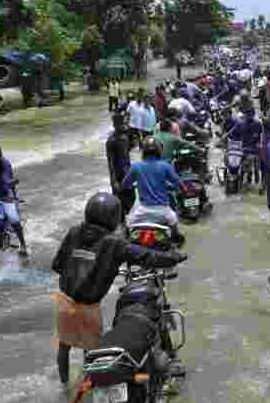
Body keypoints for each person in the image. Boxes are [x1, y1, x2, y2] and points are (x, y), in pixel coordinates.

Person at [52, 193, 186, 384]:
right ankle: (93, 388)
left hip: (65, 301)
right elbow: (145, 256)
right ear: (113, 217)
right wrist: (174, 258)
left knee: (63, 349)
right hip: (90, 306)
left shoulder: (74, 232)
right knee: (95, 356)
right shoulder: (113, 242)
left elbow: (57, 265)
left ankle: (65, 389)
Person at [121, 138, 184, 242]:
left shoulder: (136, 166)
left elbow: (124, 185)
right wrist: (178, 189)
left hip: (142, 212)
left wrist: (131, 186)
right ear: (159, 151)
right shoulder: (165, 166)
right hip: (163, 212)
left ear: (144, 152)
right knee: (175, 227)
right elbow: (179, 184)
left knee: (127, 228)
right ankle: (175, 236)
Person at [106, 113, 135, 226]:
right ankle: (121, 224)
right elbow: (110, 163)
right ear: (114, 125)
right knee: (120, 203)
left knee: (132, 199)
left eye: (122, 123)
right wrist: (114, 182)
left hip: (127, 174)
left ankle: (126, 221)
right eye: (118, 124)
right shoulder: (111, 141)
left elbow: (128, 153)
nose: (121, 125)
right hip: (118, 176)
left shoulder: (125, 137)